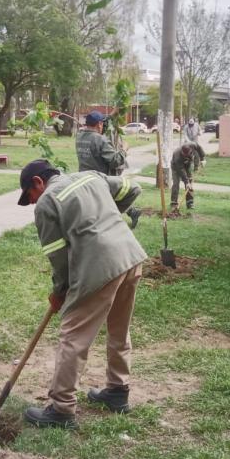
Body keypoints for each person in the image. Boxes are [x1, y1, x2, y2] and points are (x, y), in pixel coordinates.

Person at [17, 159, 147, 429]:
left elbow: (59, 258)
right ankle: (117, 391)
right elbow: (131, 188)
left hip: (99, 267)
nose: (32, 202)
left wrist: (59, 292)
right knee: (119, 329)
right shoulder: (91, 176)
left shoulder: (47, 201)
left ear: (38, 182)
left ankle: (62, 409)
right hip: (131, 257)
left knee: (73, 336)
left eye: (29, 195)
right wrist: (108, 221)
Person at [76, 111, 141, 228]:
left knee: (99, 203)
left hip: (84, 178)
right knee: (113, 198)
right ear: (99, 124)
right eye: (102, 123)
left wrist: (114, 111)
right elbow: (115, 161)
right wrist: (124, 150)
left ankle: (131, 212)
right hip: (100, 179)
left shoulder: (79, 137)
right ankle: (126, 214)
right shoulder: (100, 140)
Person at [170, 142, 204, 213]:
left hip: (187, 166)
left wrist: (202, 159)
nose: (186, 156)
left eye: (187, 155)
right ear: (182, 152)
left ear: (190, 151)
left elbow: (199, 148)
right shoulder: (177, 155)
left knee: (190, 184)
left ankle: (190, 203)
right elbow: (181, 170)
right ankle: (174, 203)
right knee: (176, 184)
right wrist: (186, 181)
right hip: (176, 168)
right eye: (184, 155)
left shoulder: (193, 145)